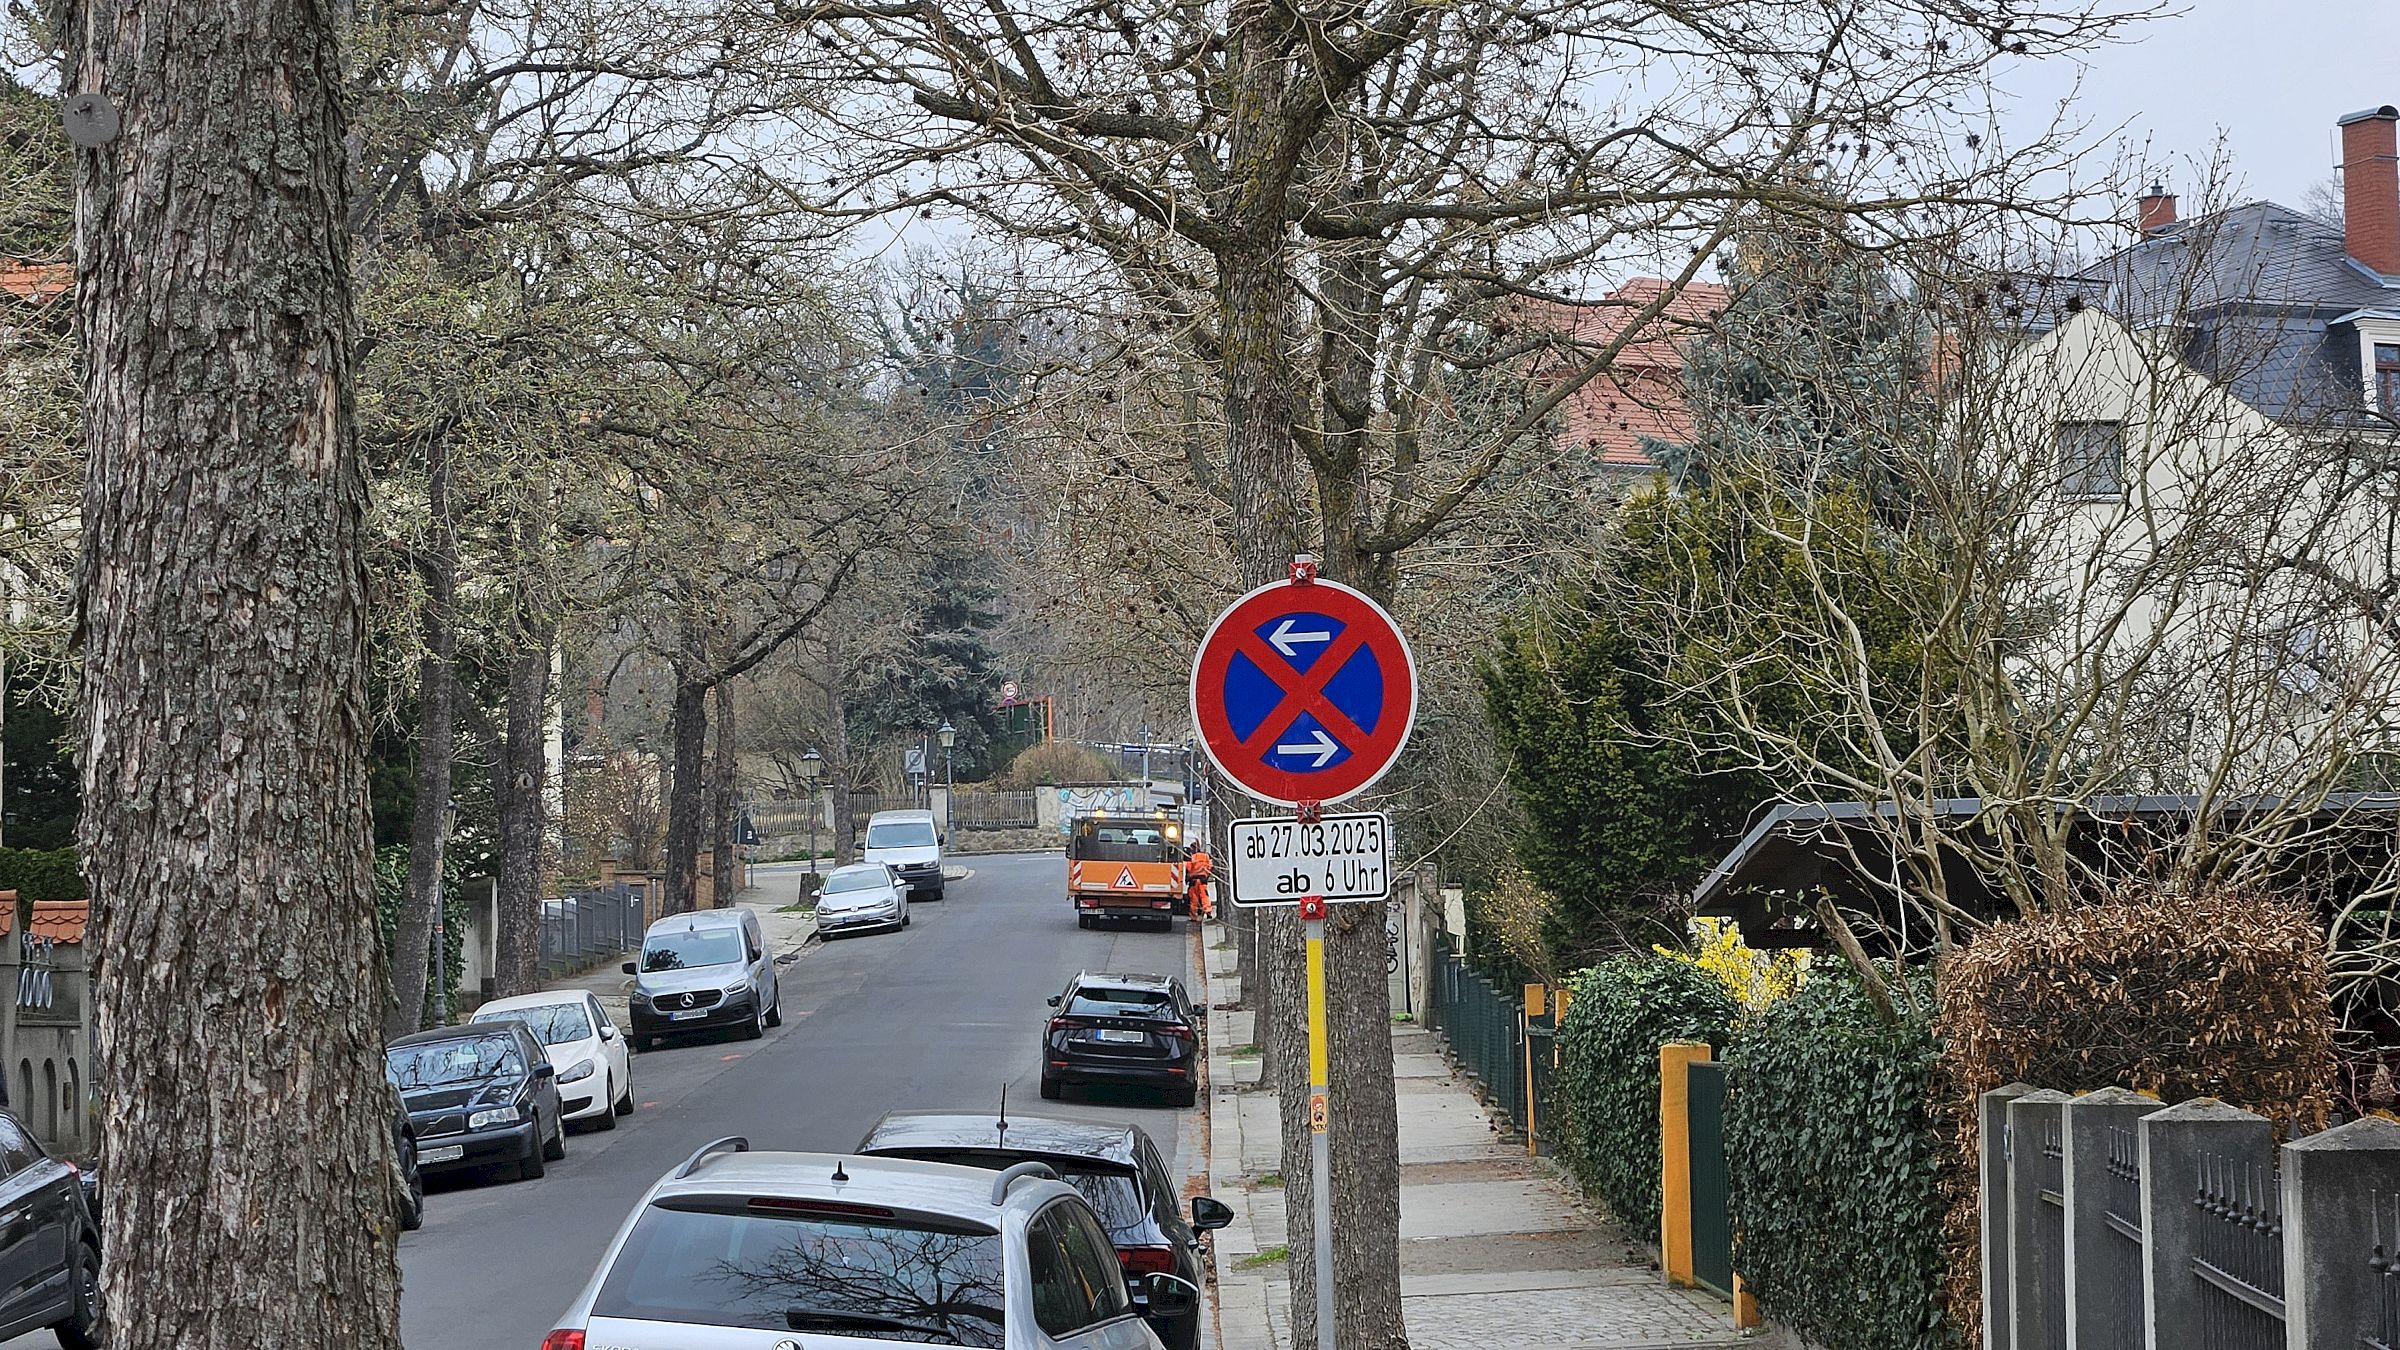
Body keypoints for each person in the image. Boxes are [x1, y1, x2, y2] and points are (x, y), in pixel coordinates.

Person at [1185, 845, 1215, 920]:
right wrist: (1206, 875)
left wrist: (1187, 879)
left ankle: (1194, 916)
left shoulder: (1192, 857)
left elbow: (1188, 868)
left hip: (1193, 881)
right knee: (1204, 896)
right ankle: (1208, 912)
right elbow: (1210, 867)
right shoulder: (1206, 857)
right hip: (1202, 881)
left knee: (1193, 899)